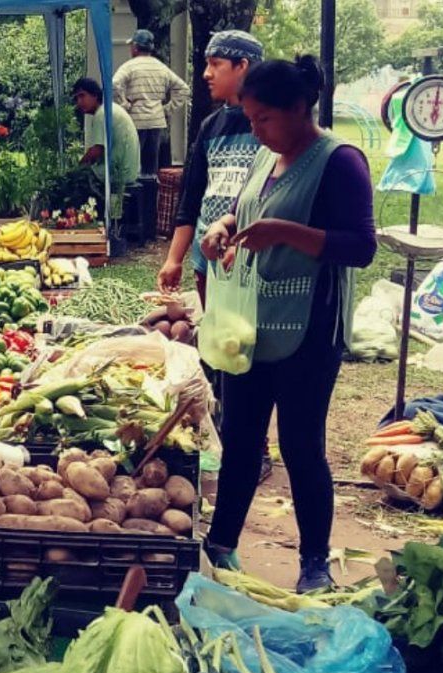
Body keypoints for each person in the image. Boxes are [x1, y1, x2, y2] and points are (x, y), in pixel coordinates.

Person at [200, 56, 376, 592]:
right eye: (250, 118)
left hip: (308, 331)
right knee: (240, 439)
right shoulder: (265, 154)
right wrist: (223, 226)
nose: (254, 129)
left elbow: (362, 247)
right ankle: (222, 545)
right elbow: (242, 206)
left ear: (300, 108)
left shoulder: (339, 161)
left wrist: (286, 232)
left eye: (264, 118)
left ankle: (314, 563)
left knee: (302, 447)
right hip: (251, 326)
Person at [158, 31, 275, 485]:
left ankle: (254, 447)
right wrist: (175, 258)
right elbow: (191, 199)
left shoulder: (269, 123)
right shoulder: (211, 127)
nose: (206, 74)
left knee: (248, 354)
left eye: (216, 65)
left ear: (243, 67)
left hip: (250, 264)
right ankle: (222, 439)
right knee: (216, 350)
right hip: (210, 264)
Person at [112, 29, 190, 175]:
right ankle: (151, 194)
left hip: (136, 120)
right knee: (151, 164)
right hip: (156, 120)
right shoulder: (160, 67)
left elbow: (114, 84)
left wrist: (124, 104)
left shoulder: (130, 66)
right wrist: (167, 109)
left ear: (135, 47)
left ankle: (134, 194)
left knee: (133, 161)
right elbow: (184, 89)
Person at [74, 78, 140, 198]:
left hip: (117, 174)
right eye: (77, 98)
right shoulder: (111, 108)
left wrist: (77, 168)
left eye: (82, 96)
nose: (79, 102)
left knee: (76, 183)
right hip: (131, 171)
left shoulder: (101, 114)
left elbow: (97, 151)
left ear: (94, 95)